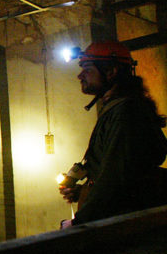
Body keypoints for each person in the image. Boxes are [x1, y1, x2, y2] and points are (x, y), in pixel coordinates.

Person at [59, 41, 167, 228]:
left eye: (87, 69)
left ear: (111, 72)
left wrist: (78, 224)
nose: (80, 75)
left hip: (127, 227)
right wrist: (83, 192)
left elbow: (114, 179)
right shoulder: (120, 108)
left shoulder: (126, 112)